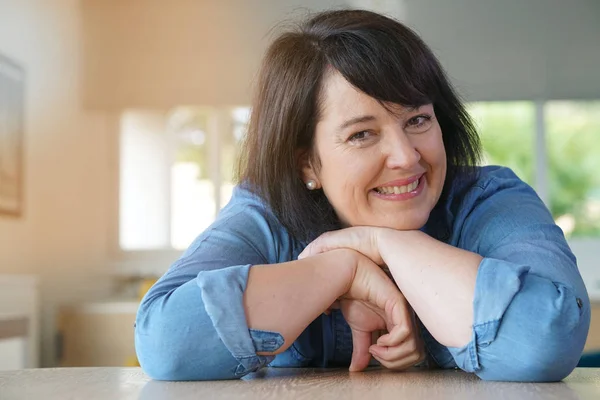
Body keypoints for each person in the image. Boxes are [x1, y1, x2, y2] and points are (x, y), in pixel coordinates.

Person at [134, 9, 590, 382]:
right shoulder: (267, 214)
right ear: (306, 164)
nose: (406, 157)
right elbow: (166, 342)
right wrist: (341, 267)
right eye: (362, 134)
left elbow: (545, 339)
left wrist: (382, 243)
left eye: (417, 120)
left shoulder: (490, 199)